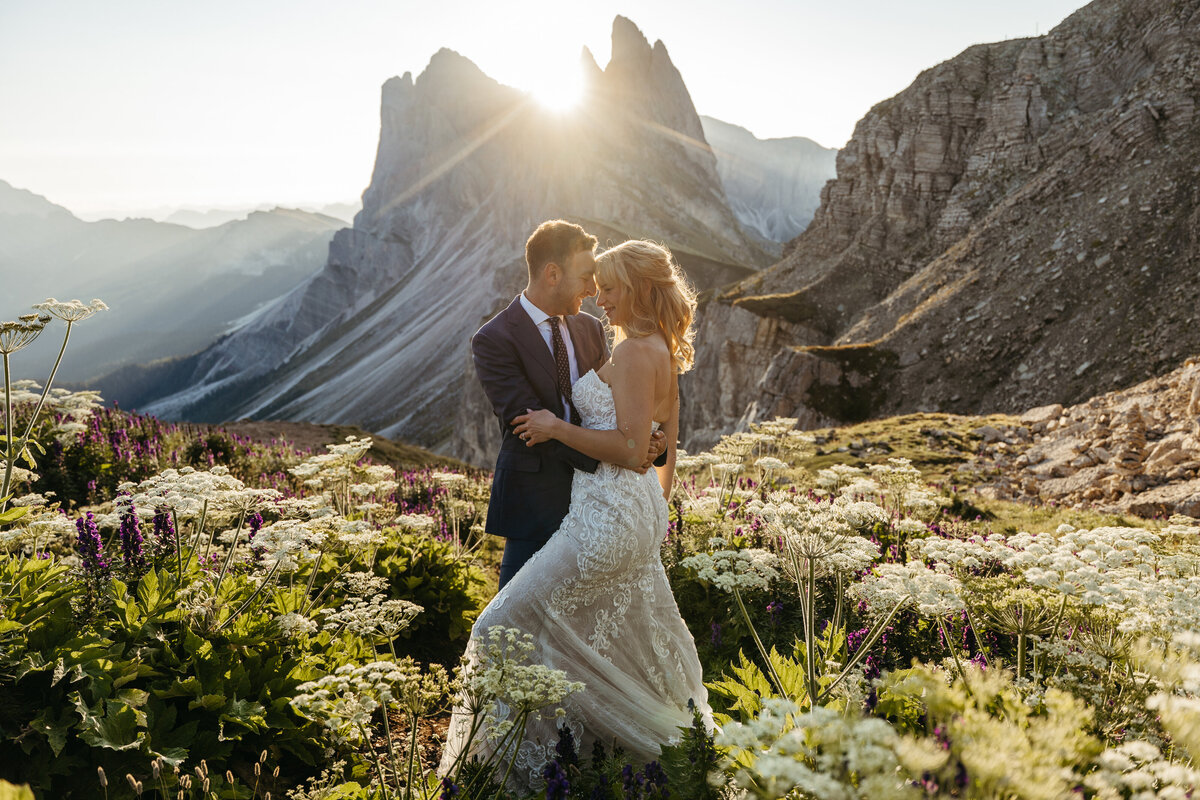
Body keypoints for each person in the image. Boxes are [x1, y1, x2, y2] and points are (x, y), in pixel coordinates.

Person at [440, 239, 712, 789]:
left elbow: (637, 448)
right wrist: (654, 510)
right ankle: (635, 758)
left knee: (498, 628)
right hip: (621, 512)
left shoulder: (634, 350)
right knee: (595, 642)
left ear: (633, 289)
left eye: (607, 287)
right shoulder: (654, 344)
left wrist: (561, 428)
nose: (597, 296)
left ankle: (505, 774)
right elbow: (664, 451)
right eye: (593, 282)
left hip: (605, 520)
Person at [471, 220, 665, 589]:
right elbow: (530, 425)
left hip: (602, 506)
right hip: (537, 503)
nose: (594, 290)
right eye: (586, 276)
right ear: (553, 274)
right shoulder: (494, 339)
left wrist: (646, 442)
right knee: (514, 624)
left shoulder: (591, 329)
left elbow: (613, 404)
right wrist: (623, 452)